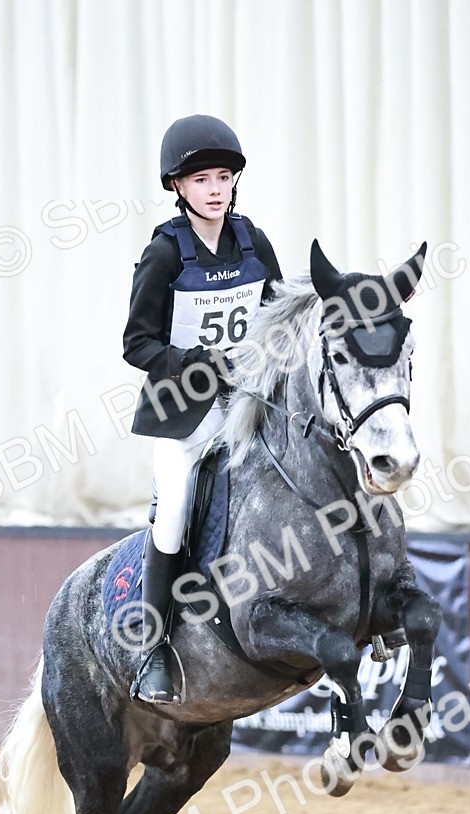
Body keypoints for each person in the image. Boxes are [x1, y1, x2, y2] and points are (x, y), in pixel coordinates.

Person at [123, 114, 282, 703]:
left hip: (246, 403)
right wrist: (197, 362)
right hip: (183, 413)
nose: (216, 189)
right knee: (174, 512)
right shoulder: (163, 255)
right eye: (201, 180)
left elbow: (280, 313)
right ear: (177, 187)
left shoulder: (253, 241)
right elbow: (136, 344)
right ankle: (153, 651)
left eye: (223, 177)